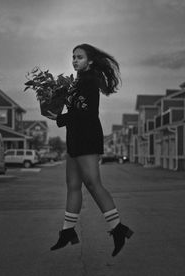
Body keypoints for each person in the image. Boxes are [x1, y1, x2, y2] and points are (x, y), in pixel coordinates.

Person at [47, 43, 133, 257]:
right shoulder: (76, 82)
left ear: (90, 61)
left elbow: (85, 114)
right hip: (74, 138)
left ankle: (118, 229)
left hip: (87, 138)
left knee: (94, 184)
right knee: (73, 185)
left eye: (80, 57)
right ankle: (67, 232)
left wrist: (60, 118)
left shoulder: (89, 81)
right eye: (73, 57)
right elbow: (75, 109)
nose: (75, 60)